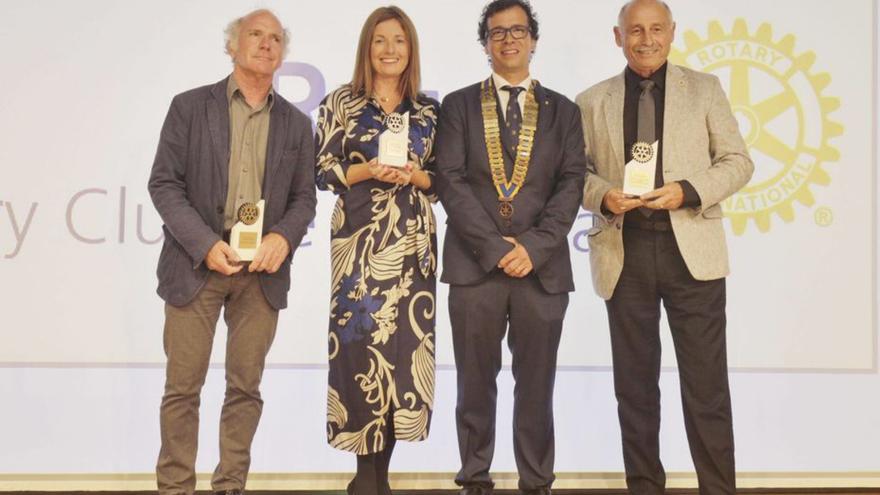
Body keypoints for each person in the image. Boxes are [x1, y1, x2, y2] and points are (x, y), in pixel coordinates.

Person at [576, 1, 754, 493]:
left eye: (656, 29)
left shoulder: (705, 89)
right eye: (635, 30)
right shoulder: (590, 100)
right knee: (634, 390)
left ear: (672, 33)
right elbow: (575, 175)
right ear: (618, 37)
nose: (646, 39)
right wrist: (603, 195)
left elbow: (738, 161)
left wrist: (687, 190)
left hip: (690, 253)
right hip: (623, 253)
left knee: (707, 388)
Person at [148, 9, 316, 495]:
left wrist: (282, 237)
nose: (266, 44)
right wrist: (205, 245)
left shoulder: (296, 124)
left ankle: (230, 486)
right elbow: (164, 184)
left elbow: (304, 199)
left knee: (245, 390)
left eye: (275, 38)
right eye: (255, 35)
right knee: (183, 389)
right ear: (232, 46)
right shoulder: (189, 107)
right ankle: (175, 488)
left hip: (261, 274)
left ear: (282, 53)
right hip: (196, 267)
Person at [435, 1, 585, 493]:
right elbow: (450, 180)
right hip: (474, 266)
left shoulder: (565, 111)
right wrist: (495, 247)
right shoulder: (457, 105)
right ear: (485, 43)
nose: (508, 39)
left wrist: (533, 247)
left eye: (518, 30)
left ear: (533, 40)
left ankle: (537, 481)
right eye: (497, 32)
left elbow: (571, 185)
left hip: (541, 270)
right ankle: (474, 478)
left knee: (537, 386)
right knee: (474, 384)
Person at [315, 6, 438, 495]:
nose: (390, 50)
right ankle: (364, 478)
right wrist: (367, 170)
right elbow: (323, 170)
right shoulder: (341, 102)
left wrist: (415, 175)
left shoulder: (428, 110)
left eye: (399, 41)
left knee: (404, 355)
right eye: (380, 40)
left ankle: (380, 478)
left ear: (411, 49)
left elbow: (442, 180)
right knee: (359, 349)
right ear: (367, 47)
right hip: (360, 244)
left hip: (413, 245)